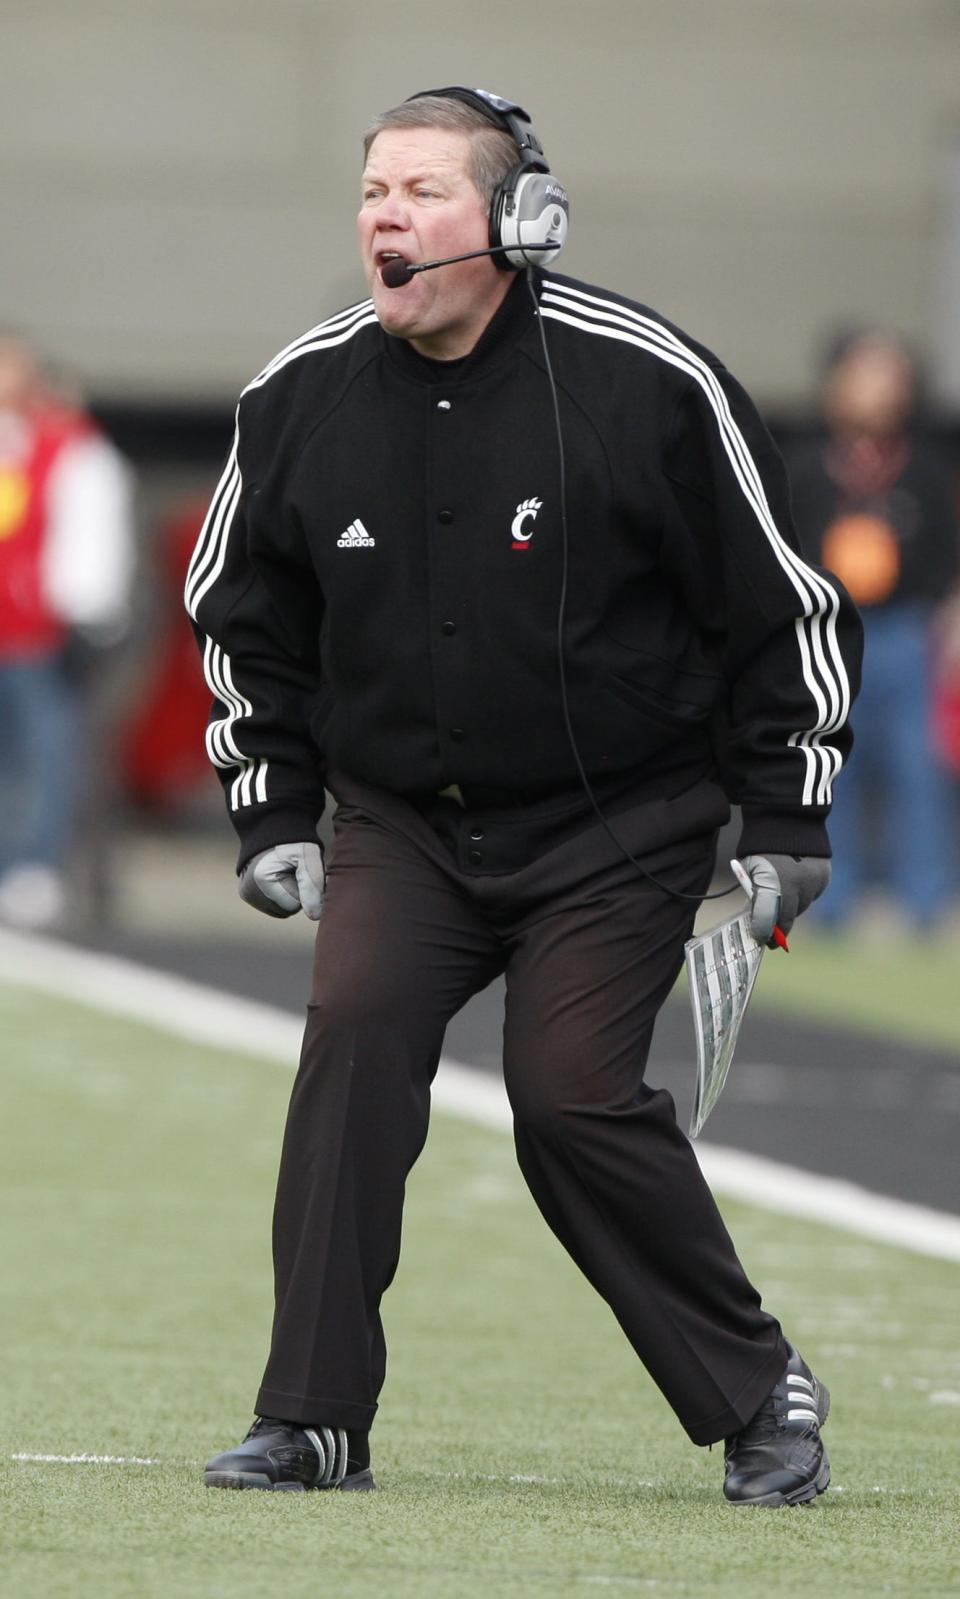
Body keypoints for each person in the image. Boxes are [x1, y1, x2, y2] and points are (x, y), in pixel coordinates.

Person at [187, 87, 862, 1506]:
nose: (386, 215)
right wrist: (271, 807)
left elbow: (783, 605)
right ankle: (313, 1416)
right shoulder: (295, 395)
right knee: (352, 1045)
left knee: (568, 1098)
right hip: (401, 822)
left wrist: (789, 810)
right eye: (374, 189)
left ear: (519, 218)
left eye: (423, 189)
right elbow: (236, 615)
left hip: (617, 824)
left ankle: (758, 1388)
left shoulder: (651, 381)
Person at [787, 329, 959, 931]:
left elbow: (949, 559)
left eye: (889, 375)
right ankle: (829, 900)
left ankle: (926, 900)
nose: (877, 388)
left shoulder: (927, 469)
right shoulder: (806, 467)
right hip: (830, 635)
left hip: (906, 632)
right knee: (828, 769)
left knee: (919, 767)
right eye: (864, 373)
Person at [0, 334, 134, 927]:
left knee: (48, 753)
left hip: (38, 634)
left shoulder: (66, 448)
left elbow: (92, 534)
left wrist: (88, 614)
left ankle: (36, 866)